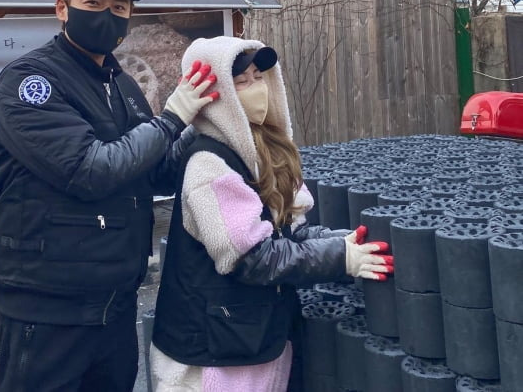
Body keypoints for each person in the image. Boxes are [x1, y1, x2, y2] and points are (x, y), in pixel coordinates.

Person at [0, 0, 218, 392]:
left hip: (115, 298)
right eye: (93, 2)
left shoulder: (122, 86)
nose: (107, 14)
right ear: (62, 8)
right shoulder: (30, 82)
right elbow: (90, 170)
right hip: (50, 302)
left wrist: (199, 125)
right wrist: (170, 120)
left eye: (119, 7)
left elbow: (156, 175)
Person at [150, 36, 393, 391]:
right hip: (214, 358)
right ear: (215, 95)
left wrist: (343, 242)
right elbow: (255, 258)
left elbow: (286, 234)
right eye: (240, 82)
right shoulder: (209, 164)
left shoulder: (261, 148)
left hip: (252, 339)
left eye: (258, 76)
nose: (255, 89)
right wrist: (341, 258)